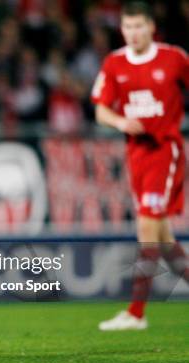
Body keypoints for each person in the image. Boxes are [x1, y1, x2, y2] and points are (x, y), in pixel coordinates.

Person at [91, 1, 189, 330]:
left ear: (151, 27)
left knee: (146, 229)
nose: (133, 33)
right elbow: (100, 110)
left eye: (139, 26)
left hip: (166, 152)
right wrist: (120, 121)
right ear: (122, 29)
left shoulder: (174, 58)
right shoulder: (115, 63)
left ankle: (136, 312)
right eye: (128, 27)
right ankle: (136, 312)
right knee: (161, 239)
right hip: (137, 156)